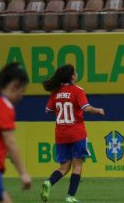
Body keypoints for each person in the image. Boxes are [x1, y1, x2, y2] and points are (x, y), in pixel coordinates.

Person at [41, 64, 105, 203]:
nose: (76, 74)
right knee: (77, 165)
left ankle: (49, 182)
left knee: (64, 167)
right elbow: (86, 108)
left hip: (61, 134)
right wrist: (98, 110)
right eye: (75, 72)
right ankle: (70, 196)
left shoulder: (56, 92)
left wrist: (61, 108)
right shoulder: (77, 90)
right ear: (72, 76)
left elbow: (47, 110)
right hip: (76, 133)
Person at [0, 63, 31, 203]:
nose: (21, 96)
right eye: (22, 90)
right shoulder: (4, 107)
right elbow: (10, 141)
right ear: (14, 86)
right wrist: (23, 173)